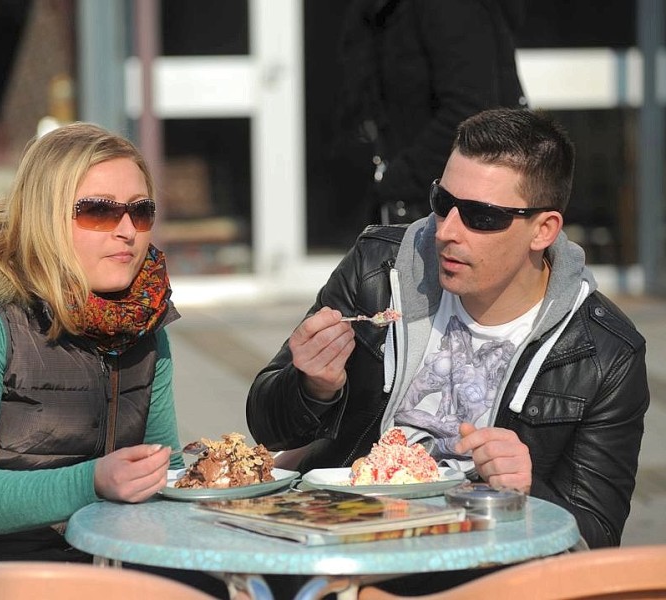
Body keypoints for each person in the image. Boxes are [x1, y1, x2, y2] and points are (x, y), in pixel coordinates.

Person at [247, 109, 649, 582]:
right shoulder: (379, 270)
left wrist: (528, 489)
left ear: (543, 231)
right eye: (443, 200)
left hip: (483, 570)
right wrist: (312, 387)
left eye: (481, 216)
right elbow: (268, 430)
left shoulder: (605, 352)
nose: (446, 231)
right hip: (346, 545)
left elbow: (597, 537)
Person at [0, 122, 224, 596]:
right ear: (45, 216)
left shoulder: (141, 320)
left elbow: (164, 472)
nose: (127, 231)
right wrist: (95, 481)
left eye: (141, 212)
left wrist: (231, 470)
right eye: (100, 211)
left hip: (108, 568)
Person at [333, 0, 527, 228]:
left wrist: (394, 180)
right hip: (412, 201)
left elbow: (471, 116)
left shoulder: (449, 8)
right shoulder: (374, 13)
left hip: (451, 209)